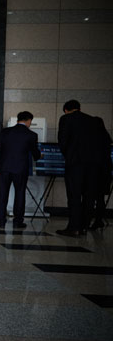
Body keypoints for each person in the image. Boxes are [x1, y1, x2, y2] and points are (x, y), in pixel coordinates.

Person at [56, 99, 100, 237]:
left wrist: (69, 155)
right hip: (93, 165)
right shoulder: (93, 121)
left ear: (66, 110)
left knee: (74, 196)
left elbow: (62, 141)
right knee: (89, 196)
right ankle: (84, 227)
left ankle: (73, 228)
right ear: (79, 108)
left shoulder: (66, 119)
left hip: (75, 164)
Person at [0, 111, 41, 228]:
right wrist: (40, 156)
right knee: (20, 195)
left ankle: (0, 220)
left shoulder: (5, 132)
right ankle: (18, 221)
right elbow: (35, 154)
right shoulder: (31, 135)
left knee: (2, 194)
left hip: (4, 168)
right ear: (29, 120)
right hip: (20, 169)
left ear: (18, 120)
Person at [90, 116, 112, 229]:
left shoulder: (93, 137)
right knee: (100, 198)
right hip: (105, 172)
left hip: (95, 171)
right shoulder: (106, 136)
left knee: (90, 197)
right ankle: (99, 220)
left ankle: (89, 221)